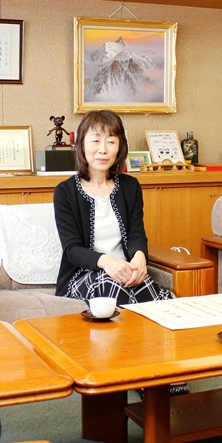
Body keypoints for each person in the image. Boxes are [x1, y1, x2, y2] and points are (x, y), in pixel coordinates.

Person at [54, 109, 174, 304]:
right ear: (82, 144)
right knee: (111, 285)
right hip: (82, 276)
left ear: (120, 147)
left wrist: (139, 257)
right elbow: (72, 249)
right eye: (95, 140)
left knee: (150, 292)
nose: (103, 149)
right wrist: (107, 262)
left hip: (125, 272)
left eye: (111, 141)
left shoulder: (130, 186)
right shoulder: (65, 191)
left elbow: (136, 233)